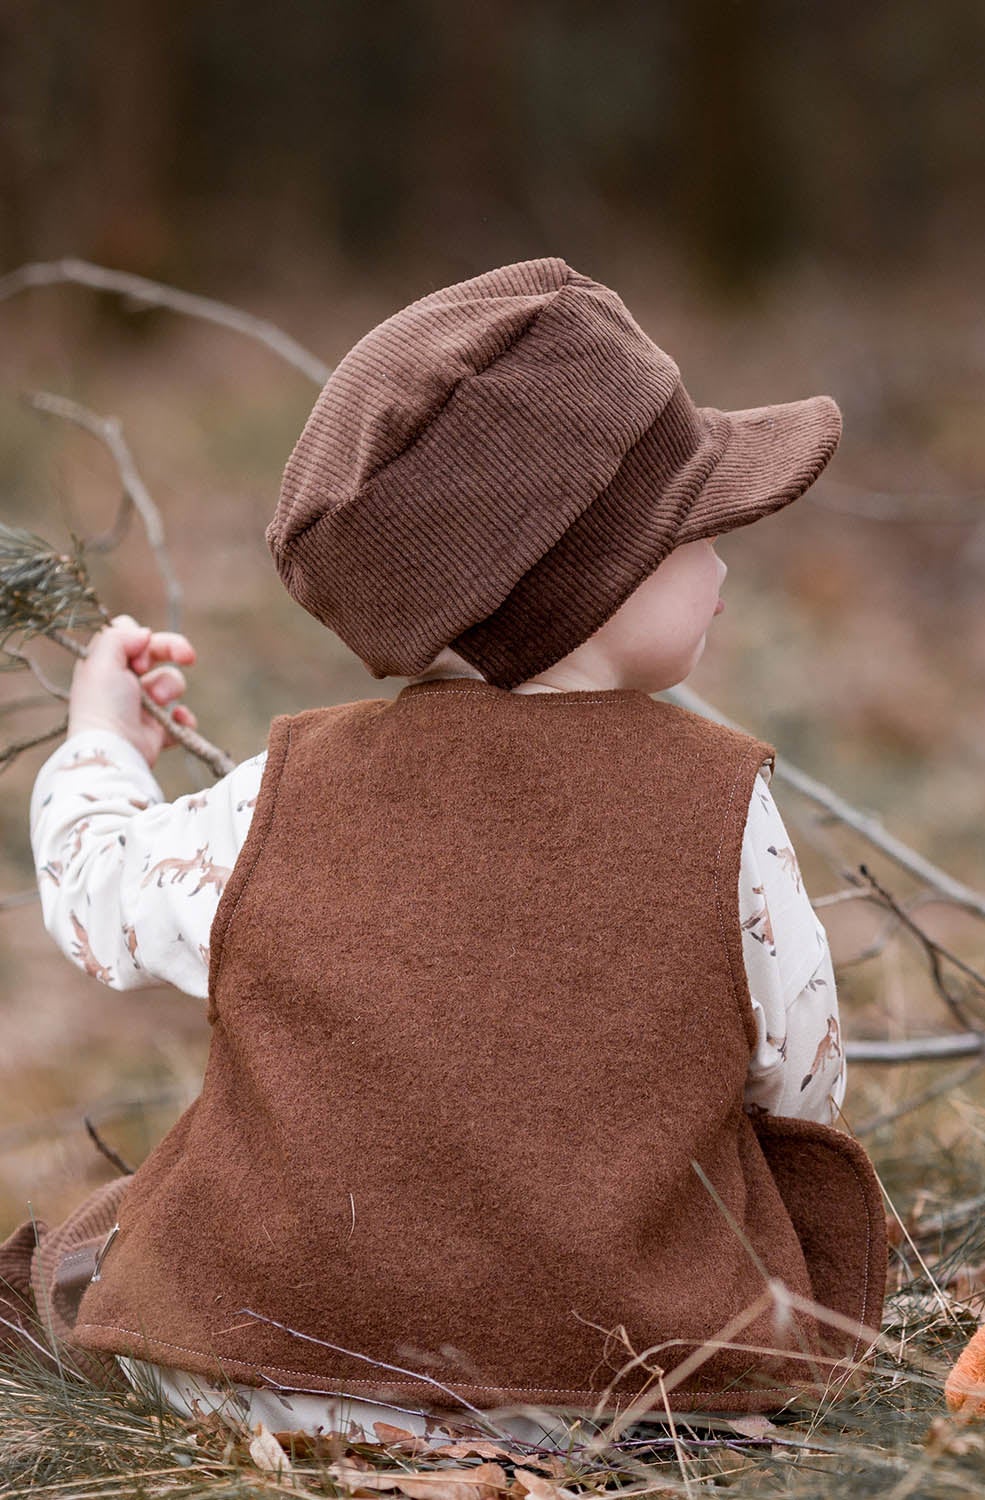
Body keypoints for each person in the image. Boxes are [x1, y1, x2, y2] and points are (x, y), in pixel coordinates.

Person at [9, 260, 886, 1442]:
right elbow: (799, 1074)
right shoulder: (722, 806)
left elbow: (97, 900)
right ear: (588, 581)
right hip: (626, 1385)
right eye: (697, 527)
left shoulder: (286, 793)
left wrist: (101, 740)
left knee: (112, 1243)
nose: (727, 561)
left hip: (273, 1371)